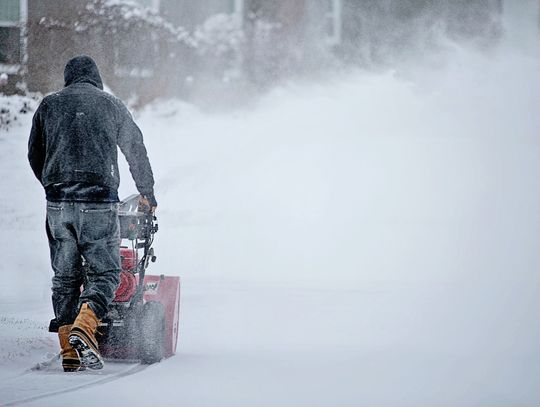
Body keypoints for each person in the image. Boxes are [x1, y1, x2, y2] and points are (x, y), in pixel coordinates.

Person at [28, 55, 157, 372]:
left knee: (65, 279)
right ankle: (84, 329)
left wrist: (52, 184)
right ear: (96, 79)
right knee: (105, 274)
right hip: (98, 201)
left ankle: (68, 352)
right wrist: (147, 193)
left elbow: (35, 152)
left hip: (58, 203)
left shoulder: (49, 105)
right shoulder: (110, 105)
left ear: (68, 78)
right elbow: (134, 147)